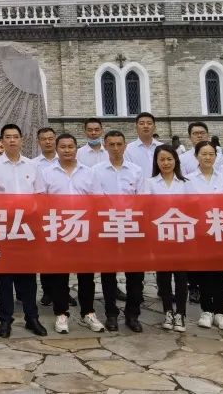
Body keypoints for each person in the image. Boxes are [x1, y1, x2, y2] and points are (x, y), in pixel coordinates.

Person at [0, 124, 48, 338]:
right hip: (3, 227)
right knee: (4, 278)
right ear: (2, 141)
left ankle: (32, 317)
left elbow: (40, 195)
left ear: (22, 140)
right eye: (7, 137)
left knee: (28, 277)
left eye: (15, 137)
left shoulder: (32, 166)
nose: (11, 140)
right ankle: (5, 319)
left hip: (27, 228)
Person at [40, 133, 105, 334]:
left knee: (86, 275)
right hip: (58, 230)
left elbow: (98, 201)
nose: (67, 150)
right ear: (57, 149)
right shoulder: (46, 173)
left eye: (70, 146)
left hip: (83, 229)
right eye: (63, 147)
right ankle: (61, 313)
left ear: (76, 149)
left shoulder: (89, 173)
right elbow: (41, 202)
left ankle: (88, 312)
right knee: (59, 275)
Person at [91, 130, 145, 333]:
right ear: (105, 146)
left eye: (119, 144)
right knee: (108, 274)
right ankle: (111, 314)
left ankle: (133, 314)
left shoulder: (136, 170)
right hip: (108, 227)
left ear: (125, 146)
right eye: (111, 144)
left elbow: (142, 199)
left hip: (132, 227)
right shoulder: (96, 171)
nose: (115, 148)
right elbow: (96, 199)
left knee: (135, 275)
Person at [186, 140, 223, 331]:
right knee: (203, 272)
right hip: (199, 232)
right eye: (203, 154)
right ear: (196, 156)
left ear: (216, 156)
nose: (207, 157)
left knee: (219, 272)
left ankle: (220, 312)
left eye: (211, 154)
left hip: (220, 230)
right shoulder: (188, 179)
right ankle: (206, 310)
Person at [144, 145, 189, 333]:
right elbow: (147, 209)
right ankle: (168, 311)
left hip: (182, 235)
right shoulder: (149, 183)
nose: (166, 163)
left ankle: (181, 313)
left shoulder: (186, 183)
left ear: (176, 161)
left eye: (169, 159)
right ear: (156, 162)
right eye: (161, 159)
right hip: (160, 235)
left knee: (181, 276)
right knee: (163, 275)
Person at [32, 126, 61, 307]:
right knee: (45, 254)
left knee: (61, 255)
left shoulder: (65, 159)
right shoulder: (33, 164)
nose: (48, 142)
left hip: (64, 216)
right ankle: (47, 291)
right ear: (39, 142)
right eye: (44, 139)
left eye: (51, 138)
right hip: (42, 215)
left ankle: (63, 291)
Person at [124, 112, 158, 177]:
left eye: (149, 123)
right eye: (141, 123)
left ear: (154, 127)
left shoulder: (162, 147)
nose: (145, 126)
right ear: (136, 127)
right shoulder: (128, 149)